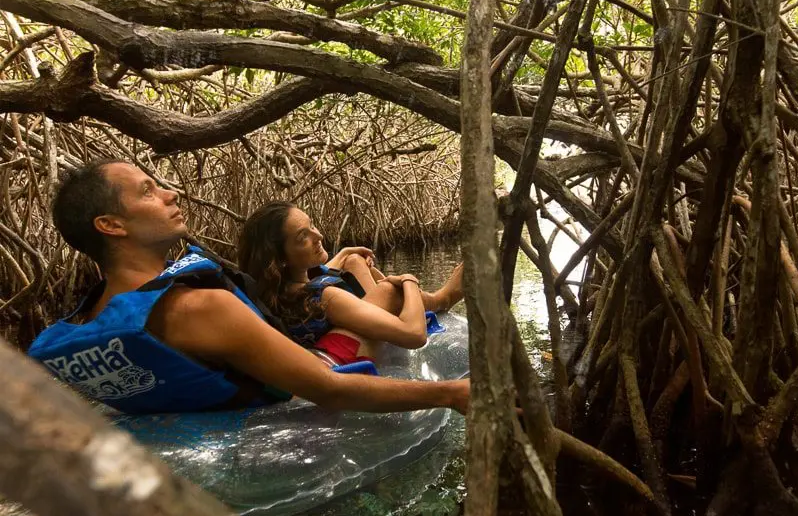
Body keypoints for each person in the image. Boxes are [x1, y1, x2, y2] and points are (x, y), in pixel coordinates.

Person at [27, 160, 469, 415]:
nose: (172, 193)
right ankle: (439, 294)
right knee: (388, 293)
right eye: (149, 192)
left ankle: (436, 294)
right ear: (111, 225)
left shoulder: (94, 317)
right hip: (300, 413)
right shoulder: (199, 306)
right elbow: (331, 388)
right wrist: (451, 393)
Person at [238, 202, 463, 365]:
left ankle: (426, 298)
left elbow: (317, 273)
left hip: (319, 342)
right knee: (389, 291)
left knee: (355, 261)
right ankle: (442, 298)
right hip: (341, 358)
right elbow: (415, 336)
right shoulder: (326, 298)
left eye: (312, 225)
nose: (318, 236)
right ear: (281, 259)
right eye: (302, 238)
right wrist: (408, 280)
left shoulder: (273, 289)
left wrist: (346, 254)